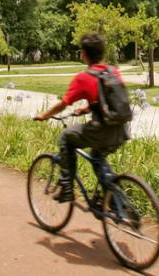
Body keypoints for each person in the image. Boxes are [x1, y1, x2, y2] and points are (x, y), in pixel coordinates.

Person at [33, 32, 129, 202]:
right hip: (121, 131)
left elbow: (63, 104)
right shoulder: (113, 72)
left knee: (65, 137)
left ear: (84, 54)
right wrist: (87, 108)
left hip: (101, 131)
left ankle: (66, 188)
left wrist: (44, 115)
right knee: (98, 157)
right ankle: (116, 202)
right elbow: (109, 102)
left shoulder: (84, 78)